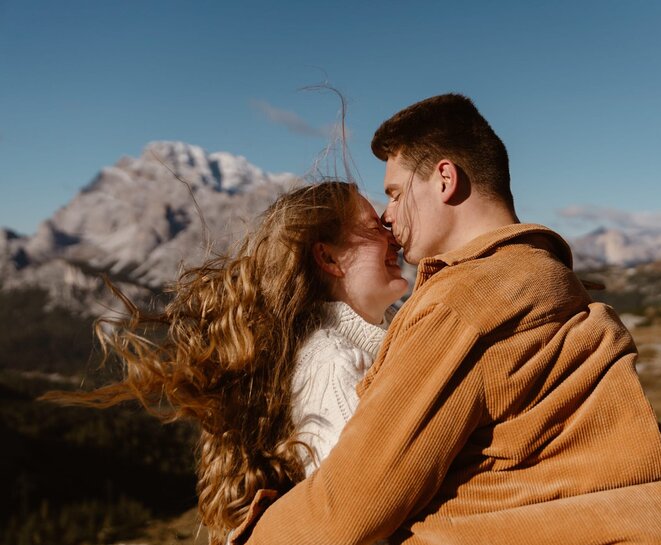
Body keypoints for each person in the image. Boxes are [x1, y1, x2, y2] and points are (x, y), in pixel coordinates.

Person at [235, 94, 661, 544]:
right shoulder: (545, 274)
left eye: (397, 193)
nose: (387, 214)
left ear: (444, 179)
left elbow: (351, 506)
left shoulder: (463, 302)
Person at [42, 181, 409, 545]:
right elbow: (364, 510)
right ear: (329, 258)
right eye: (374, 227)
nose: (393, 235)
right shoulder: (332, 363)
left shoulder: (377, 338)